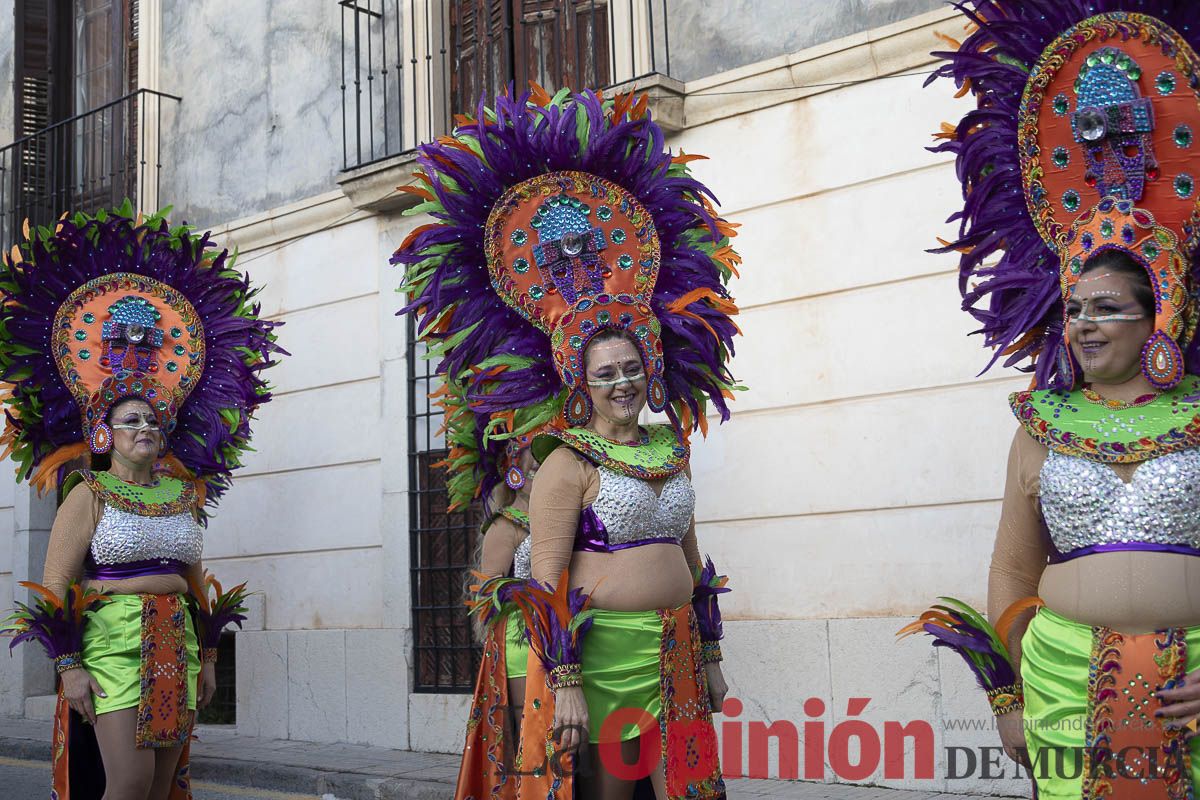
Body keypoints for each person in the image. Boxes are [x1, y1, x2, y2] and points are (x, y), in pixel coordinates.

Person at [393, 86, 741, 800]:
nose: (622, 382)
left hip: (670, 647)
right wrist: (564, 680)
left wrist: (709, 651)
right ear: (581, 384)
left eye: (631, 368)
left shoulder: (670, 448)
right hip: (601, 656)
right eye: (605, 372)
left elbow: (690, 555)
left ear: (652, 370)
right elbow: (544, 580)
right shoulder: (564, 461)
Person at [908, 5, 1200, 797]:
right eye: (1073, 309)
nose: (1083, 324)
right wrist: (1013, 694)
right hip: (1066, 684)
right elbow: (1010, 569)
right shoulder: (1041, 426)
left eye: (1106, 308)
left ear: (1157, 314)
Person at [0, 207, 282, 799]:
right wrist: (68, 664)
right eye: (131, 420)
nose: (146, 428)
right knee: (126, 785)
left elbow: (194, 579)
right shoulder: (89, 492)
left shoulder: (182, 493)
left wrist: (207, 659)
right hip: (112, 649)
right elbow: (55, 585)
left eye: (154, 419)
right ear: (104, 433)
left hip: (173, 646)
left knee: (161, 786)